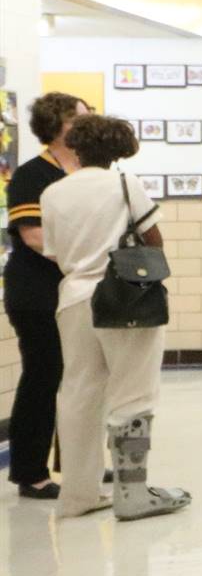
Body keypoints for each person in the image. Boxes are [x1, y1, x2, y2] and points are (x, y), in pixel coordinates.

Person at [39, 115, 189, 521]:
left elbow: (52, 252)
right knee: (133, 393)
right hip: (125, 297)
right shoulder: (125, 184)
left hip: (72, 298)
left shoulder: (53, 192)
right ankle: (131, 493)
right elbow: (153, 239)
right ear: (118, 148)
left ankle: (77, 495)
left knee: (79, 393)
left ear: (77, 146)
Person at [5, 92, 88, 500]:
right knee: (43, 374)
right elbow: (33, 235)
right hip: (36, 291)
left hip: (76, 288)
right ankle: (30, 472)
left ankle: (77, 463)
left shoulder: (89, 170)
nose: (87, 127)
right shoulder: (32, 174)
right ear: (57, 126)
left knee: (78, 379)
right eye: (78, 120)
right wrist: (82, 259)